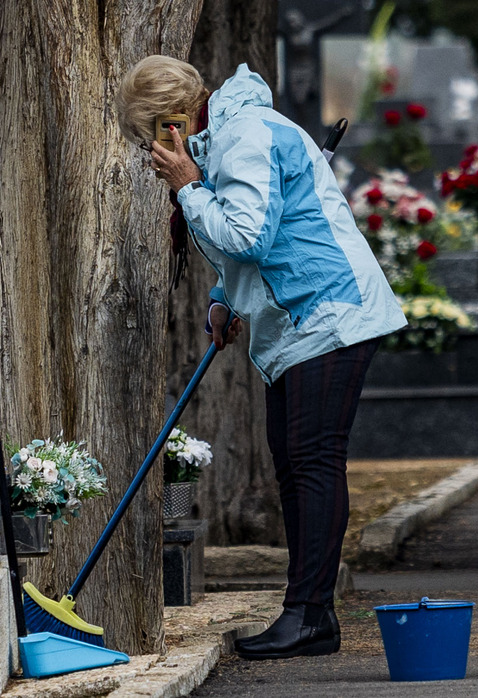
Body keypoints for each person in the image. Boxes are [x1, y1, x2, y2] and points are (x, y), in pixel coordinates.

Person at [117, 56, 406, 660]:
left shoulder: (244, 135)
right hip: (299, 320)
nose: (151, 155)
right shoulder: (227, 136)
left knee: (314, 464)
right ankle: (309, 614)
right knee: (296, 468)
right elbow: (251, 240)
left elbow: (247, 234)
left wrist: (187, 186)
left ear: (173, 122)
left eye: (150, 139)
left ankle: (308, 615)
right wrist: (224, 298)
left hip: (329, 312)